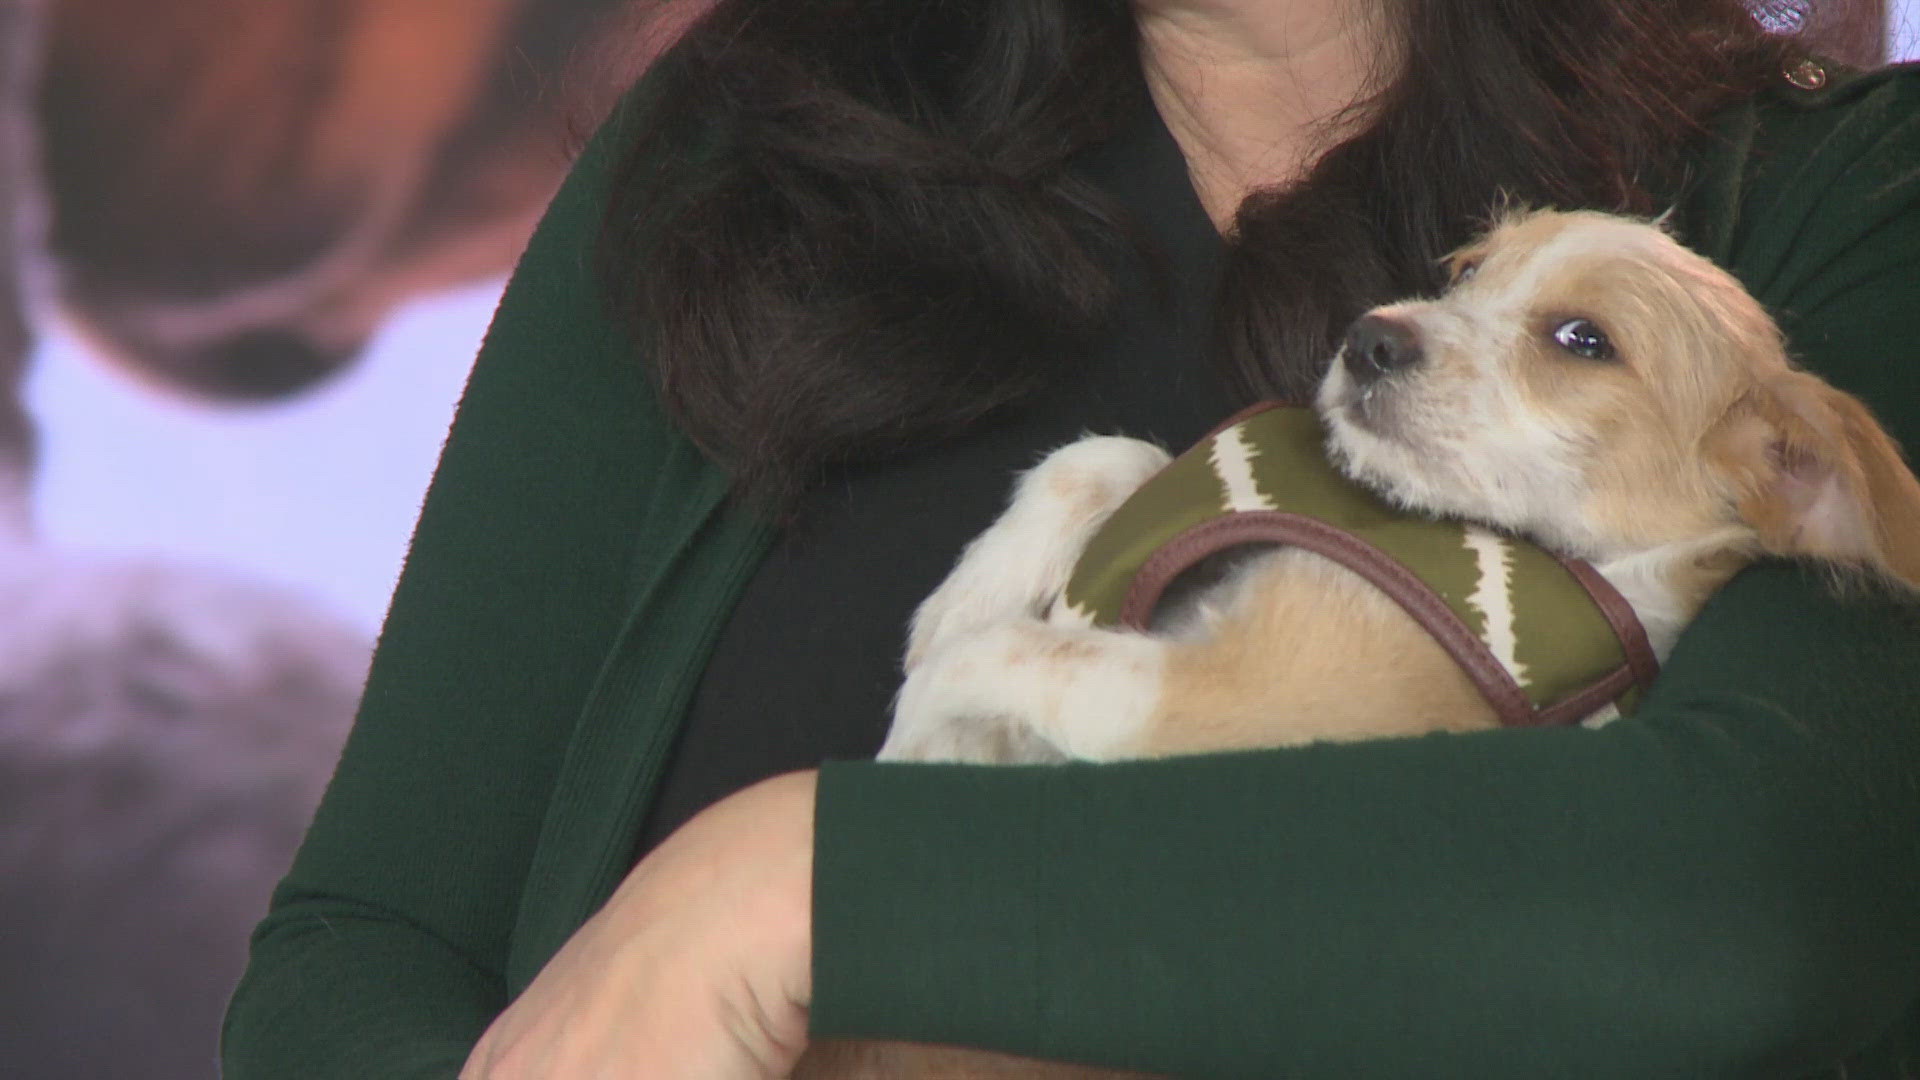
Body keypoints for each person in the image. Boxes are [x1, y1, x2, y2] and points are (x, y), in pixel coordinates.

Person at [222, 0, 1920, 1076]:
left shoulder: (1847, 199)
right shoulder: (739, 166)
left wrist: (802, 885)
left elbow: (1766, 901)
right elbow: (361, 951)